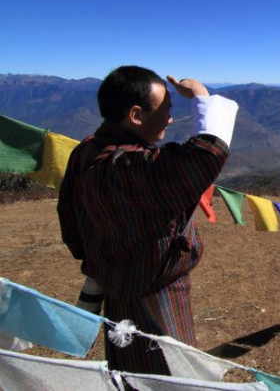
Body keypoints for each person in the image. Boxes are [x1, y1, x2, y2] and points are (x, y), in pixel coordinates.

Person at [58, 65, 238, 374]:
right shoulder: (130, 166)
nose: (170, 118)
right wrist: (201, 96)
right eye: (166, 110)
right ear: (136, 115)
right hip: (157, 298)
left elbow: (70, 216)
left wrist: (102, 263)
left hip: (116, 289)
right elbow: (206, 154)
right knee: (170, 376)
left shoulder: (87, 150)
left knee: (129, 372)